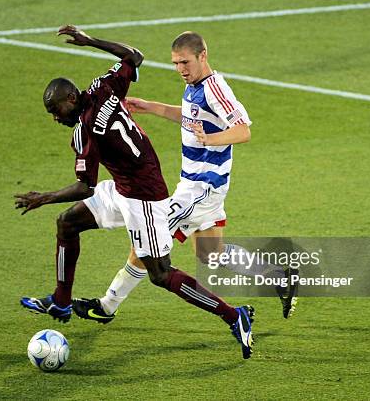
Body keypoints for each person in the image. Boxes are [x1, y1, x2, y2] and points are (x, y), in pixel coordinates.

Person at [15, 25, 254, 359]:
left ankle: (234, 314)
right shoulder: (102, 87)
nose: (56, 119)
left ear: (71, 100)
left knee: (161, 272)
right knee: (67, 223)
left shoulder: (85, 133)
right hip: (128, 187)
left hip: (147, 199)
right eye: (175, 63)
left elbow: (86, 185)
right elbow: (133, 56)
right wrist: (89, 41)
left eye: (57, 111)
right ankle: (63, 301)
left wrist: (43, 197)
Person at [72, 31, 298, 324]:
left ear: (203, 55)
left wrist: (213, 138)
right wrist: (152, 107)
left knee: (147, 243)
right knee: (210, 254)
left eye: (185, 62)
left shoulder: (215, 88)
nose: (180, 69)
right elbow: (192, 115)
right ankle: (279, 276)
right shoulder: (194, 86)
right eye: (176, 63)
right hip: (196, 186)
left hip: (202, 188)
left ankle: (107, 306)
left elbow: (243, 130)